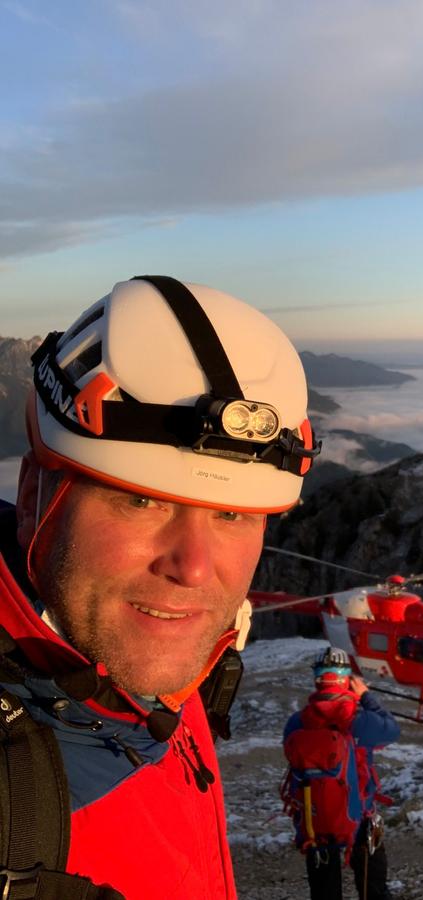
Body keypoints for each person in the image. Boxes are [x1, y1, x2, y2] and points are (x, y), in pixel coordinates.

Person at [0, 275, 319, 900]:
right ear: (36, 495)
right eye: (140, 500)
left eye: (232, 515)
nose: (194, 569)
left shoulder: (176, 672)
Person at [283, 647, 400, 900]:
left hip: (315, 820)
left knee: (324, 892)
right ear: (346, 679)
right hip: (360, 817)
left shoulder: (297, 722)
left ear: (317, 679)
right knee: (373, 887)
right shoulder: (359, 719)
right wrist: (367, 696)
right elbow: (392, 729)